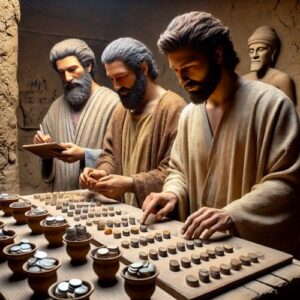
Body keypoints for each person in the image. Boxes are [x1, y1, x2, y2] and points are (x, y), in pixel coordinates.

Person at [141, 11, 300, 256]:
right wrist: (171, 193)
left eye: (189, 67)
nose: (182, 79)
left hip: (254, 256)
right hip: (201, 250)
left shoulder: (272, 105)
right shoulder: (189, 114)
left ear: (217, 54)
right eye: (175, 71)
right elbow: (179, 171)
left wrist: (232, 214)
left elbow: (287, 182)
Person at [80, 37, 186, 208]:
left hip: (158, 218)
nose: (116, 86)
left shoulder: (173, 108)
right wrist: (101, 172)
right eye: (111, 79)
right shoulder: (121, 111)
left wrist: (131, 183)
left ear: (143, 68)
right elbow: (110, 155)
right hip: (126, 217)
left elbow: (176, 172)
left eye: (121, 77)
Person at [33, 39, 119, 191]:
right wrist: (45, 150)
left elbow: (124, 157)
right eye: (61, 72)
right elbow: (46, 164)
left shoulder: (114, 104)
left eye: (72, 69)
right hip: (61, 200)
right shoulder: (56, 108)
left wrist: (85, 155)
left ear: (88, 66)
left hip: (100, 202)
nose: (67, 78)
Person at [243, 26, 297, 104]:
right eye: (251, 51)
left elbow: (289, 113)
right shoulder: (244, 80)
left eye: (260, 49)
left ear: (272, 52)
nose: (254, 55)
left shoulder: (282, 80)